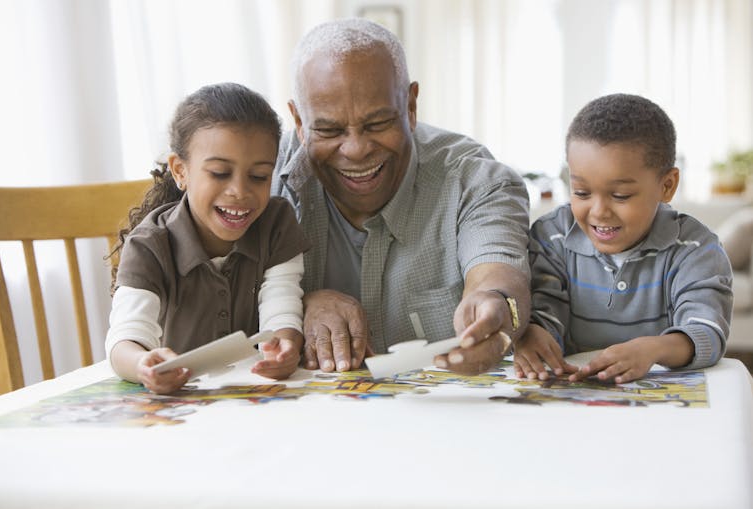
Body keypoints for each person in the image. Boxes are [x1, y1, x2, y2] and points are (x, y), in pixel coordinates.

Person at [272, 18, 531, 376]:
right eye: (329, 130)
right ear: (299, 121)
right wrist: (293, 305)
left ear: (410, 106)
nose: (357, 149)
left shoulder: (475, 181)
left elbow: (500, 277)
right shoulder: (259, 175)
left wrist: (497, 308)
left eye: (377, 124)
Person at [106, 83, 311, 394]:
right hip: (179, 406)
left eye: (258, 177)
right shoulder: (149, 245)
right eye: (219, 173)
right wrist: (144, 364)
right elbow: (124, 341)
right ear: (180, 171)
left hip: (254, 399)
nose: (240, 191)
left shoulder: (276, 224)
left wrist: (284, 346)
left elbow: (281, 307)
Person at [514, 93, 733, 383]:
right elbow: (544, 310)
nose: (599, 211)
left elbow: (706, 331)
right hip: (571, 398)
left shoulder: (695, 248)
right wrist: (533, 334)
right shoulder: (551, 236)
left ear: (666, 186)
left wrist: (653, 349)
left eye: (620, 196)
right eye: (581, 192)